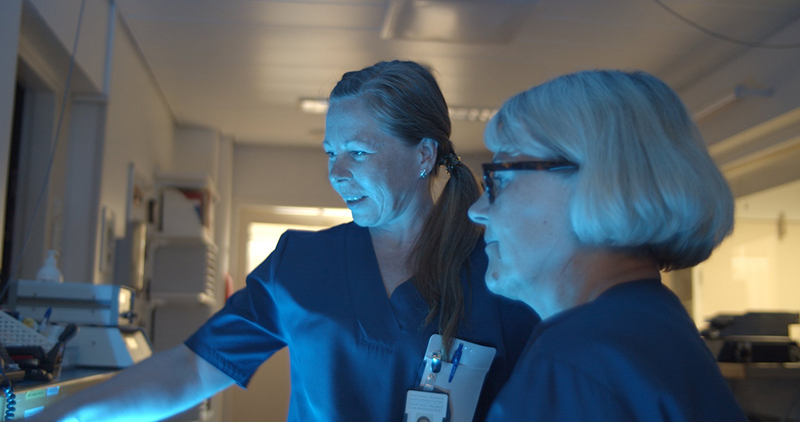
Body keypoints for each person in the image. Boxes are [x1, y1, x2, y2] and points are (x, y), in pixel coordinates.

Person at [29, 60, 537, 422]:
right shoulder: (303, 265)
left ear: (423, 155)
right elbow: (191, 368)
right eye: (330, 152)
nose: (336, 173)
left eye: (357, 153)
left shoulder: (499, 272)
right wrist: (64, 412)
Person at [468, 70, 747, 421]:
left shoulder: (577, 360)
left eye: (502, 178)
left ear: (598, 179)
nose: (477, 210)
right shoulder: (653, 329)